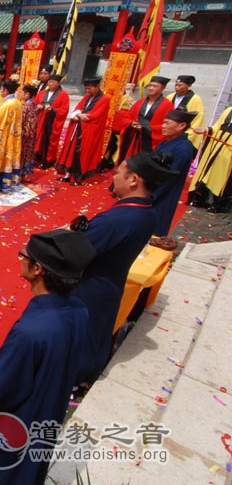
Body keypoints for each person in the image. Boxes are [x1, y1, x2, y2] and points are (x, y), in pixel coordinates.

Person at [0, 229, 94, 485]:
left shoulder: (32, 332)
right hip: (48, 412)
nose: (21, 260)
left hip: (14, 424)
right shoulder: (79, 310)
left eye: (24, 256)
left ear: (38, 268)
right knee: (27, 478)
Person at [73, 151, 173, 382]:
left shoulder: (116, 220)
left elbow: (78, 250)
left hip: (91, 287)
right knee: (97, 332)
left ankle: (75, 378)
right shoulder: (147, 210)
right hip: (111, 283)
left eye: (118, 171)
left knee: (82, 336)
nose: (114, 176)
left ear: (133, 179)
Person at [150, 110, 197, 241]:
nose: (163, 126)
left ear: (181, 126)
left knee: (154, 229)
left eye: (167, 123)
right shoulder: (167, 142)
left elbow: (169, 177)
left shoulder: (183, 148)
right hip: (152, 188)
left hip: (162, 194)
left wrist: (150, 196)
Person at [55, 77, 111, 186]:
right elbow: (77, 109)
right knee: (71, 151)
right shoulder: (86, 97)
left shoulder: (104, 99)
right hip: (78, 128)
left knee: (81, 153)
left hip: (89, 130)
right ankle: (67, 174)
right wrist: (78, 115)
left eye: (90, 88)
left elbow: (95, 115)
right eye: (86, 88)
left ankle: (77, 177)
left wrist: (79, 115)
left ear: (97, 87)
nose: (87, 91)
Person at [116, 76, 175, 165]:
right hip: (134, 138)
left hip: (150, 141)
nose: (151, 88)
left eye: (155, 86)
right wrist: (132, 124)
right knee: (129, 163)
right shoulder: (140, 101)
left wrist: (145, 128)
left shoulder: (167, 105)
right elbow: (127, 117)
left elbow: (167, 125)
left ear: (163, 88)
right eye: (150, 86)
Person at [188, 104, 232, 212]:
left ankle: (219, 204)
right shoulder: (229, 110)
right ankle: (201, 199)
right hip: (217, 146)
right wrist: (206, 130)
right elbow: (217, 126)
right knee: (208, 173)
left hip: (229, 151)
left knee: (223, 178)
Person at [0, 78, 24, 191]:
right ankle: (8, 182)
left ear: (5, 90)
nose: (0, 91)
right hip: (14, 135)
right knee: (11, 155)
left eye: (1, 89)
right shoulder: (18, 103)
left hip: (4, 135)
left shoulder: (7, 105)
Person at [33, 73, 70, 169]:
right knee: (38, 138)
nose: (50, 84)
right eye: (49, 82)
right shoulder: (42, 93)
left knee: (49, 140)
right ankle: (37, 157)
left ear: (58, 83)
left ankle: (48, 160)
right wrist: (38, 106)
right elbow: (35, 103)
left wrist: (53, 110)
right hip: (41, 120)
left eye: (53, 82)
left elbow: (64, 110)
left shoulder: (63, 95)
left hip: (52, 121)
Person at [167, 75, 205, 149]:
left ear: (189, 85)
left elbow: (198, 118)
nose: (177, 87)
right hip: (169, 132)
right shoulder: (170, 96)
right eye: (176, 85)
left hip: (184, 133)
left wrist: (186, 134)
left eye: (180, 85)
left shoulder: (195, 99)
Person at [18, 84, 39, 180]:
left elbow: (21, 121)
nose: (21, 94)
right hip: (32, 133)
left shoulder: (25, 106)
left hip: (25, 134)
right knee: (28, 153)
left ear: (28, 94)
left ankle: (20, 173)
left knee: (23, 153)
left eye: (23, 93)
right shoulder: (34, 104)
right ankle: (25, 173)